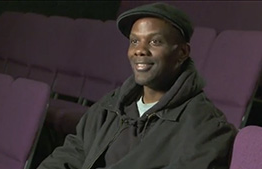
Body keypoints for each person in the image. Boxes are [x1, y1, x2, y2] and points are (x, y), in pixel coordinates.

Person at [38, 2, 237, 169]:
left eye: (155, 42)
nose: (140, 50)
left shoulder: (206, 127)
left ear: (182, 53)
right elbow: (72, 152)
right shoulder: (111, 105)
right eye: (134, 41)